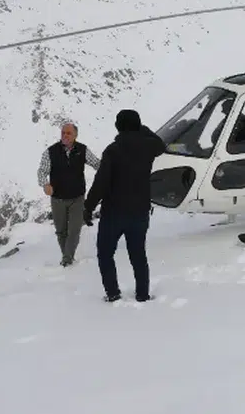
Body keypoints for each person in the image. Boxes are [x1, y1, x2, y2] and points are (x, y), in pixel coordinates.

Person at [84, 108, 168, 302]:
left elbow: (101, 183)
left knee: (105, 254)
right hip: (139, 211)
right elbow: (160, 145)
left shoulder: (113, 150)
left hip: (113, 212)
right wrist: (143, 129)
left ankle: (113, 293)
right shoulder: (148, 147)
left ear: (118, 126)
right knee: (138, 254)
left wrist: (88, 207)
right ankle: (142, 294)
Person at [36, 121, 101, 266]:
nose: (65, 135)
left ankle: (67, 259)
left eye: (68, 133)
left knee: (75, 229)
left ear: (75, 135)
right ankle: (67, 255)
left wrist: (109, 169)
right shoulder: (50, 152)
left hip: (77, 197)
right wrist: (45, 184)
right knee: (61, 231)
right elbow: (42, 171)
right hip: (58, 198)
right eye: (63, 133)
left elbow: (96, 163)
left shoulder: (82, 150)